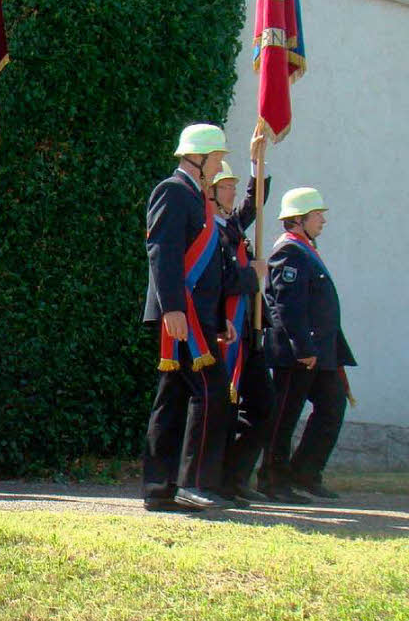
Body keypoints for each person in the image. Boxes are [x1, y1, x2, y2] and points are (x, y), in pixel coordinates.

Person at [142, 124, 240, 511]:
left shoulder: (198, 198)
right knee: (210, 391)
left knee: (172, 400)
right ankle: (192, 483)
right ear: (197, 158)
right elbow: (162, 252)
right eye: (215, 159)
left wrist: (217, 320)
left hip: (196, 320)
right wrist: (172, 308)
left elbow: (210, 269)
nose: (219, 166)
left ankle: (160, 489)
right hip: (180, 318)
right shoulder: (173, 191)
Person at [258, 187, 356, 501]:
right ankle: (272, 480)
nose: (323, 220)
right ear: (299, 219)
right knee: (285, 415)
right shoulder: (289, 252)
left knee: (332, 405)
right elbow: (287, 306)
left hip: (318, 353)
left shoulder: (304, 250)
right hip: (298, 353)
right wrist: (303, 348)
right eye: (317, 214)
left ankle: (305, 472)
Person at [212, 136, 273, 503]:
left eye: (235, 186)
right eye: (228, 186)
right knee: (225, 409)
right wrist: (252, 273)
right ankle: (219, 481)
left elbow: (253, 207)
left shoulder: (230, 226)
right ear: (212, 192)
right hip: (225, 331)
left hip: (249, 330)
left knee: (264, 406)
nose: (234, 193)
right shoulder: (208, 230)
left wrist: (256, 165)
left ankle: (234, 476)